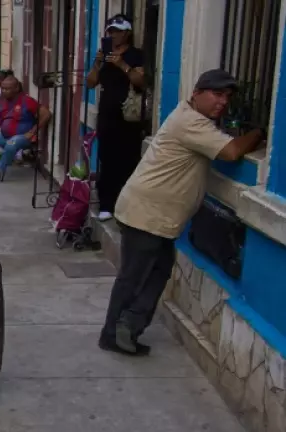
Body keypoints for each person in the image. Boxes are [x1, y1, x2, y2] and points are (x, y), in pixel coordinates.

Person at [100, 69, 266, 355]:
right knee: (134, 275)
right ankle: (113, 333)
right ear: (197, 94)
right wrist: (260, 132)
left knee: (159, 269)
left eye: (227, 97)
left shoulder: (194, 119)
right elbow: (232, 152)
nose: (223, 102)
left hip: (156, 215)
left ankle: (128, 326)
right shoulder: (190, 122)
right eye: (217, 94)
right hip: (147, 213)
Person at [85, 14, 146, 222]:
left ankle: (124, 204)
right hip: (107, 116)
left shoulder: (136, 55)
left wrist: (123, 65)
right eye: (110, 31)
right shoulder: (104, 56)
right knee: (107, 160)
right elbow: (90, 83)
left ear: (127, 33)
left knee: (128, 161)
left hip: (128, 118)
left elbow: (141, 82)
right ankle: (106, 204)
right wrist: (97, 63)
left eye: (118, 31)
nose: (114, 35)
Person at [0, 75, 51, 185]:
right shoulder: (2, 101)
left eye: (7, 89)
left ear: (16, 89)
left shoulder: (27, 100)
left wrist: (33, 131)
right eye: (3, 88)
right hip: (3, 136)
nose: (4, 91)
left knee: (11, 143)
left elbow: (46, 114)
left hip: (22, 137)